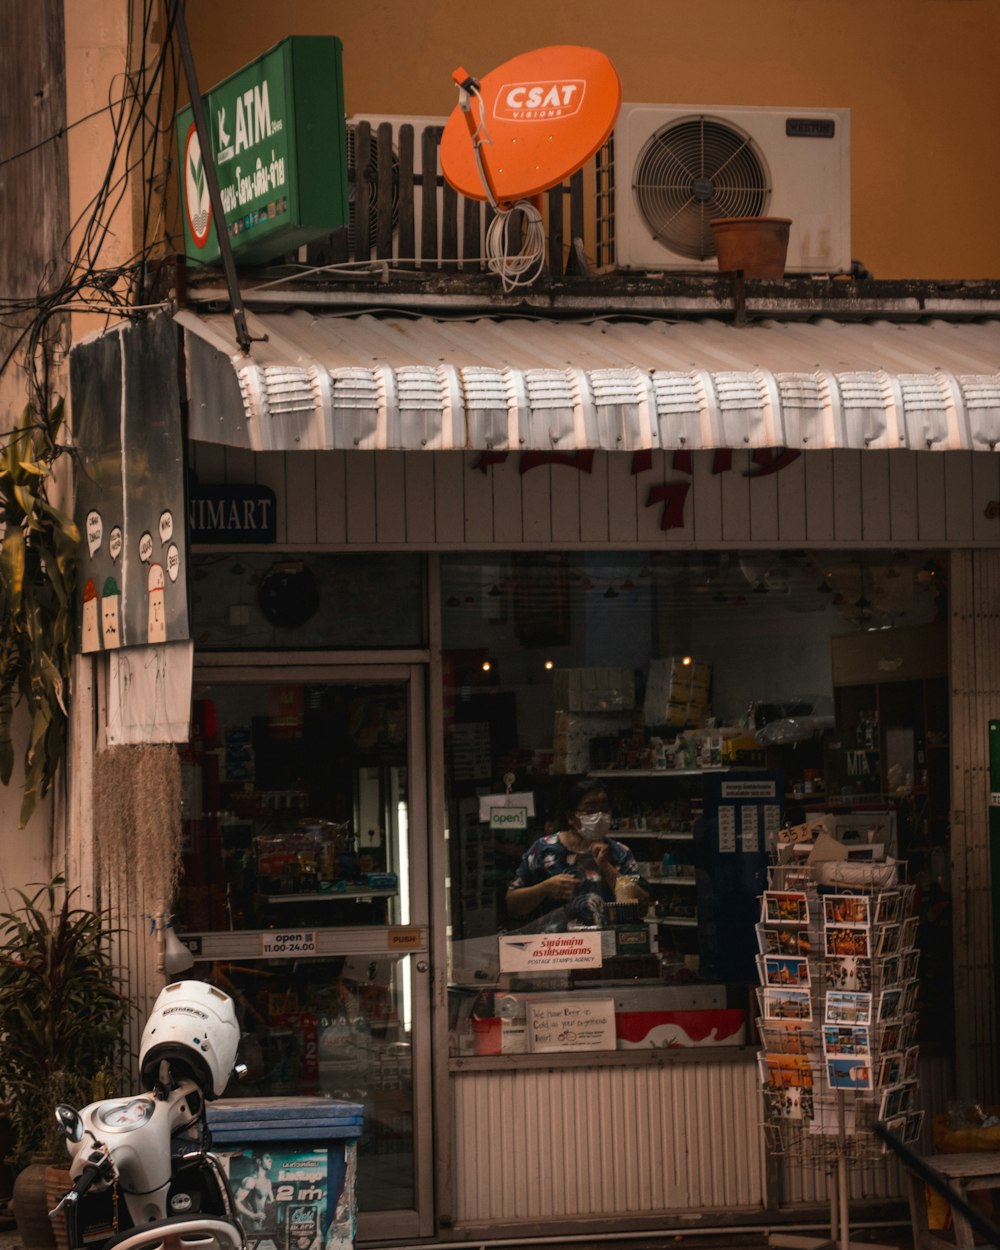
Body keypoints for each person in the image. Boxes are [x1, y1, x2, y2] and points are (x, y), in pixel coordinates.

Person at [505, 782, 649, 928]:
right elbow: (512, 903)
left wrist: (606, 867)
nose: (599, 816)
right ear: (570, 816)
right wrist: (545, 888)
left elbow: (640, 906)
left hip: (606, 944)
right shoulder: (544, 849)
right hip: (554, 947)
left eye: (604, 809)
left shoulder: (619, 852)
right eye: (590, 810)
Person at [235, 1152, 275, 1229]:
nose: (271, 1160)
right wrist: (252, 1215)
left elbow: (270, 1203)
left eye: (270, 1158)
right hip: (252, 1225)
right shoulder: (251, 1180)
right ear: (259, 1161)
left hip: (265, 1224)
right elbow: (236, 1202)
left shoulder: (268, 1182)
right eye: (267, 1158)